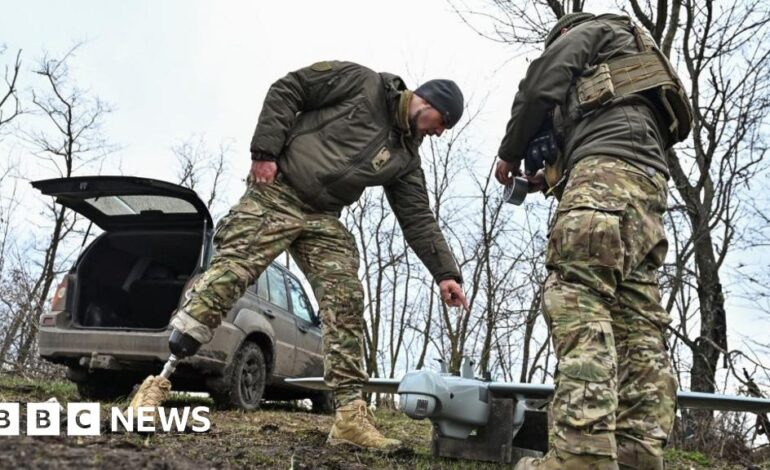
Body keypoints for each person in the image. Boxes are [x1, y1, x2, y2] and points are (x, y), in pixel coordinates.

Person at [167, 60, 468, 451]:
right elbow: (289, 88)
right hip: (277, 190)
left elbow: (418, 219)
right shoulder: (362, 84)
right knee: (232, 273)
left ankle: (348, 417)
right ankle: (160, 378)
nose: (439, 134)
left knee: (346, 298)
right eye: (442, 124)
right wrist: (265, 150)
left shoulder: (405, 159)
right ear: (427, 103)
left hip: (322, 217)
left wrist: (446, 273)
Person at [494, 12, 692, 470]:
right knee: (637, 321)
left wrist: (509, 151)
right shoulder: (637, 63)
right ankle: (637, 453)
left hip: (604, 177)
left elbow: (541, 82)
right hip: (647, 188)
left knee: (577, 298)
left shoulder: (589, 31)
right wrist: (552, 176)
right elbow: (610, 124)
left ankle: (580, 456)